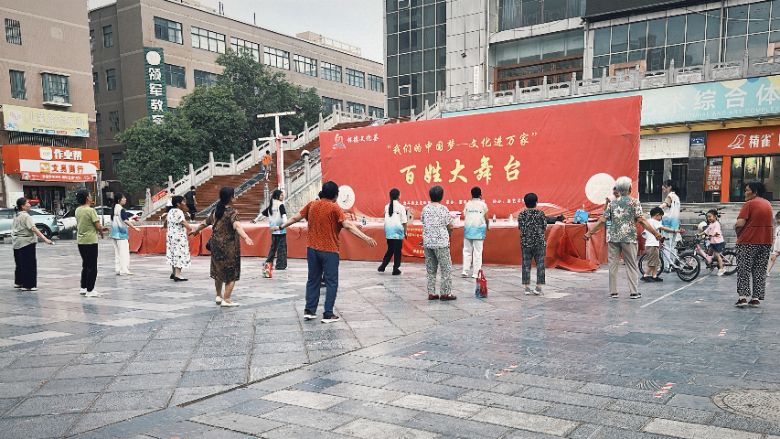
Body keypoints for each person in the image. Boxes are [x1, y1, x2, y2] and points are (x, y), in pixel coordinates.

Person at [273, 181, 377, 322]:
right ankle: (328, 313)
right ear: (335, 195)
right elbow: (347, 225)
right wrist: (365, 237)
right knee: (331, 282)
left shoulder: (312, 205)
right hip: (329, 250)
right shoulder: (334, 208)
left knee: (313, 280)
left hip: (312, 249)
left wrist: (281, 227)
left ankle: (309, 310)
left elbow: (295, 218)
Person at [584, 176, 662, 300]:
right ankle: (634, 292)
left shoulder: (612, 203)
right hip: (629, 237)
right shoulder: (634, 202)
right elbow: (641, 220)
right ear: (630, 188)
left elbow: (602, 220)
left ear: (619, 189)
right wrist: (655, 233)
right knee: (631, 264)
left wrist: (589, 233)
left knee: (613, 265)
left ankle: (613, 292)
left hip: (613, 238)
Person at [191, 187, 254, 307]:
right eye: (234, 195)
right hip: (229, 247)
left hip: (216, 246)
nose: (235, 197)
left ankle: (218, 296)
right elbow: (237, 226)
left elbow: (205, 222)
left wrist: (196, 230)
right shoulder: (232, 212)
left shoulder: (216, 210)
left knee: (218, 270)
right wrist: (245, 237)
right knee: (232, 273)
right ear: (230, 198)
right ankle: (227, 299)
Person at [734, 181, 774, 307]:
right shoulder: (768, 204)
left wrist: (737, 232)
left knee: (744, 270)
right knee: (759, 270)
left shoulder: (749, 204)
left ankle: (743, 298)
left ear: (755, 192)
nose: (745, 193)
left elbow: (740, 223)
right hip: (766, 241)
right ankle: (755, 298)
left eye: (747, 190)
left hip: (748, 241)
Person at [422, 185, 456, 301]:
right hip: (441, 243)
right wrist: (449, 233)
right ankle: (445, 293)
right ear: (441, 196)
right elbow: (450, 226)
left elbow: (424, 222)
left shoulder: (425, 209)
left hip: (428, 243)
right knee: (446, 268)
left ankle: (431, 292)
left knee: (431, 269)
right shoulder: (443, 209)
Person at [12, 197, 53, 291]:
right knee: (29, 264)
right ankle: (28, 285)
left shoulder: (17, 215)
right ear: (23, 206)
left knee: (20, 264)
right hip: (27, 242)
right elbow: (33, 228)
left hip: (17, 242)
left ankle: (19, 282)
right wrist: (45, 239)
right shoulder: (26, 216)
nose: (29, 205)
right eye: (27, 203)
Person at [75, 190, 108, 297]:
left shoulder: (78, 210)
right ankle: (90, 290)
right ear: (87, 198)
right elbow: (97, 226)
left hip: (81, 241)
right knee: (92, 266)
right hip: (90, 241)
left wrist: (100, 229)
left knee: (85, 265)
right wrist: (102, 231)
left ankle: (83, 287)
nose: (91, 197)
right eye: (90, 195)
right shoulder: (91, 210)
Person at [517, 192, 547, 295]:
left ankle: (526, 288)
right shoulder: (541, 214)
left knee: (526, 264)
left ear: (525, 203)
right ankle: (538, 287)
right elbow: (544, 227)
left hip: (526, 243)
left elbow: (520, 227)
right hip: (539, 243)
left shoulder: (521, 214)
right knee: (540, 264)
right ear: (536, 202)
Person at [253, 189, 288, 270]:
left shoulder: (271, 205)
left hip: (273, 230)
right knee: (282, 248)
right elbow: (284, 216)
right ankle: (280, 265)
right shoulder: (280, 205)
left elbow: (262, 214)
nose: (283, 196)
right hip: (281, 230)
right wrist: (285, 224)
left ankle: (268, 262)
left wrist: (255, 220)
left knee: (273, 248)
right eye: (281, 195)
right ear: (277, 196)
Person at [641, 207, 677, 282]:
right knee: (652, 262)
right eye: (661, 216)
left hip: (651, 244)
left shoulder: (648, 221)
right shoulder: (655, 221)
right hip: (652, 245)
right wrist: (674, 230)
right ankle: (645, 275)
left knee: (655, 261)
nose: (661, 218)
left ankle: (654, 276)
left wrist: (659, 242)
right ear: (657, 215)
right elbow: (663, 228)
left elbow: (645, 234)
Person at [110, 192, 140, 276]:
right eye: (123, 198)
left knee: (117, 253)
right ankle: (124, 270)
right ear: (119, 200)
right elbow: (125, 220)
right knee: (124, 253)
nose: (125, 199)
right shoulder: (121, 209)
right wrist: (134, 228)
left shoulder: (114, 208)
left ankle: (118, 269)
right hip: (121, 234)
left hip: (114, 234)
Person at [379, 188, 407, 275]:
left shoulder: (386, 206)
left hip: (388, 230)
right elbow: (404, 222)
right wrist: (405, 232)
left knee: (390, 249)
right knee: (397, 251)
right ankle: (395, 269)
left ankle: (383, 266)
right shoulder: (401, 207)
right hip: (398, 231)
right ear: (398, 196)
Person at [462, 186, 489, 278]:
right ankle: (475, 273)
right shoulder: (483, 205)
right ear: (480, 195)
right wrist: (488, 226)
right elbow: (486, 218)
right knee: (477, 252)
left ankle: (465, 271)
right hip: (479, 231)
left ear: (471, 195)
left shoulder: (467, 204)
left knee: (467, 251)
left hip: (468, 230)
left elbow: (465, 214)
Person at [167, 195, 193, 281]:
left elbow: (166, 221)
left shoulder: (170, 211)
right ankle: (178, 275)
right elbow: (183, 222)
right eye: (183, 201)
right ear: (178, 204)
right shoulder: (179, 211)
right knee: (180, 253)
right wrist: (191, 229)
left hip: (171, 236)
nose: (184, 203)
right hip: (179, 236)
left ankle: (174, 272)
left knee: (173, 253)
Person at [658, 180, 681, 271]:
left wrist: (655, 210)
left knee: (666, 245)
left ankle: (666, 266)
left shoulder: (670, 196)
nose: (662, 187)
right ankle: (673, 264)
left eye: (664, 185)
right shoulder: (676, 197)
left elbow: (664, 205)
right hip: (675, 224)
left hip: (667, 224)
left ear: (669, 186)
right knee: (673, 246)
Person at [703, 209, 726, 276]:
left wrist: (709, 235)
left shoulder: (717, 224)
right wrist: (699, 234)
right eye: (707, 217)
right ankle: (711, 264)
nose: (708, 218)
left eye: (710, 216)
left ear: (715, 216)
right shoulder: (711, 224)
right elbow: (706, 231)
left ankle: (721, 269)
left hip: (718, 242)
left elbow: (716, 233)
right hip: (713, 242)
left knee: (717, 255)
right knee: (709, 253)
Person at [767, 211, 780, 276]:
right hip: (776, 246)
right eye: (777, 219)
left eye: (778, 219)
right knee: (772, 258)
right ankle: (767, 271)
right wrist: (773, 246)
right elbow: (775, 238)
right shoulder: (777, 228)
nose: (777, 221)